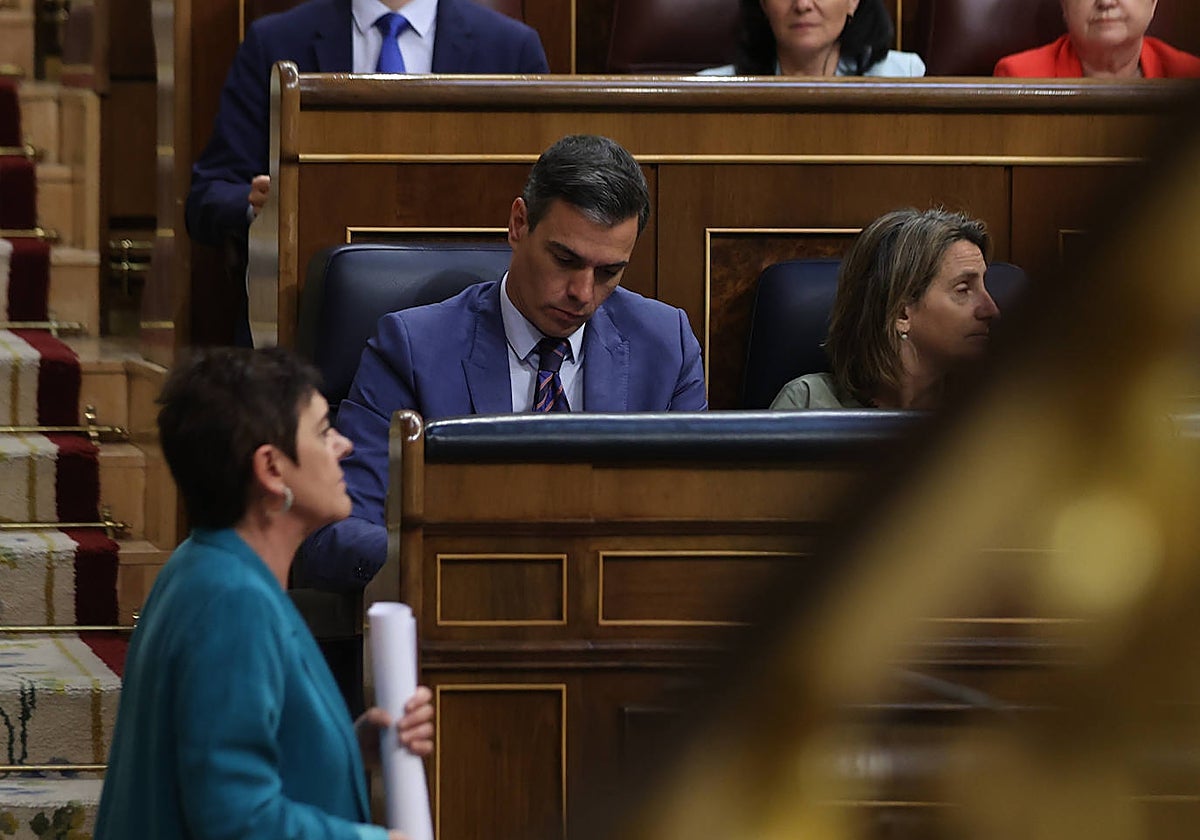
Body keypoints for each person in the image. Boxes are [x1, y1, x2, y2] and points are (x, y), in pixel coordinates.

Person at [297, 133, 708, 590]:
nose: (583, 293)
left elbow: (693, 530)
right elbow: (336, 531)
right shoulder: (412, 349)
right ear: (518, 224)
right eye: (565, 259)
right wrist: (474, 569)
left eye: (609, 272)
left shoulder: (666, 346)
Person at [95, 347, 435, 840]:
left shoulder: (204, 566)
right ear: (272, 469)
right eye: (322, 431)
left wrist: (351, 746)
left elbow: (223, 758)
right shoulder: (231, 602)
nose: (344, 446)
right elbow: (234, 820)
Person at [186, 0, 550, 344]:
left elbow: (542, 203)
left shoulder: (511, 47)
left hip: (468, 328)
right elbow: (208, 197)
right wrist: (261, 205)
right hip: (306, 332)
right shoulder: (275, 41)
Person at [770, 208, 1000, 410]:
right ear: (901, 313)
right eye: (963, 289)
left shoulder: (993, 411)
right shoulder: (807, 403)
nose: (991, 310)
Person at [700, 0, 924, 77]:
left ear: (853, 2)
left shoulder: (904, 75)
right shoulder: (709, 95)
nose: (802, 5)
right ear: (763, 4)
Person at [995, 0, 1200, 78]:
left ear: (1154, 2)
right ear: (1063, 4)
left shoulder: (1189, 78)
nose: (1106, 2)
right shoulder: (1020, 79)